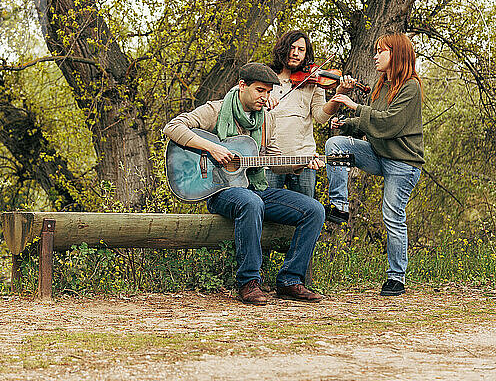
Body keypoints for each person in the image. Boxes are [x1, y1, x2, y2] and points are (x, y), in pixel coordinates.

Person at [163, 62, 326, 305]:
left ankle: (290, 280)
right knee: (250, 202)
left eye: (269, 92)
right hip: (221, 190)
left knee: (314, 210)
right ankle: (249, 282)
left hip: (255, 187)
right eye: (260, 90)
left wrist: (299, 164)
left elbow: (273, 160)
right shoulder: (216, 110)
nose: (265, 97)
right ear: (242, 85)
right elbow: (172, 127)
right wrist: (212, 147)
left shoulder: (267, 120)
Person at [324, 33, 424, 296]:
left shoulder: (410, 87)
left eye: (381, 51)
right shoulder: (381, 85)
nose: (375, 56)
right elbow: (371, 121)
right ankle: (340, 205)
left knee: (392, 215)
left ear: (397, 54)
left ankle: (396, 278)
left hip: (403, 163)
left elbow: (388, 124)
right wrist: (345, 124)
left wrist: (355, 108)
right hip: (379, 155)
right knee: (336, 146)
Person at [266, 30, 354, 197]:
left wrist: (338, 96)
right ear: (283, 49)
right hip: (271, 160)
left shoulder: (313, 83)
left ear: (306, 54)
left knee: (305, 213)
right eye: (292, 48)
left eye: (301, 50)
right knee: (267, 212)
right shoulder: (267, 79)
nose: (295, 53)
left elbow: (321, 117)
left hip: (304, 159)